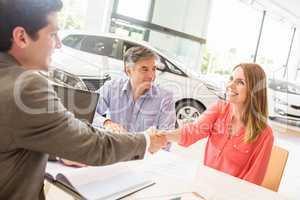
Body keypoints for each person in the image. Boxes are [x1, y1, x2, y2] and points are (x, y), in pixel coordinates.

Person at [0, 0, 166, 199]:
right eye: (53, 34)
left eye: (153, 69)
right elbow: (93, 143)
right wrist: (145, 140)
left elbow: (10, 136)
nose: (59, 44)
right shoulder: (27, 86)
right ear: (21, 37)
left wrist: (58, 148)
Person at [157, 63, 274, 185]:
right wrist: (162, 135)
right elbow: (190, 132)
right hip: (204, 184)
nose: (230, 85)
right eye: (231, 79)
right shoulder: (219, 109)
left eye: (240, 82)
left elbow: (253, 181)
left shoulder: (265, 134)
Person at [95, 46, 176, 134]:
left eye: (154, 69)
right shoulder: (112, 87)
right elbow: (88, 112)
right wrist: (106, 123)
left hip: (146, 147)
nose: (151, 76)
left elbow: (167, 138)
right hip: (114, 145)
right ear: (128, 71)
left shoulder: (165, 98)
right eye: (144, 69)